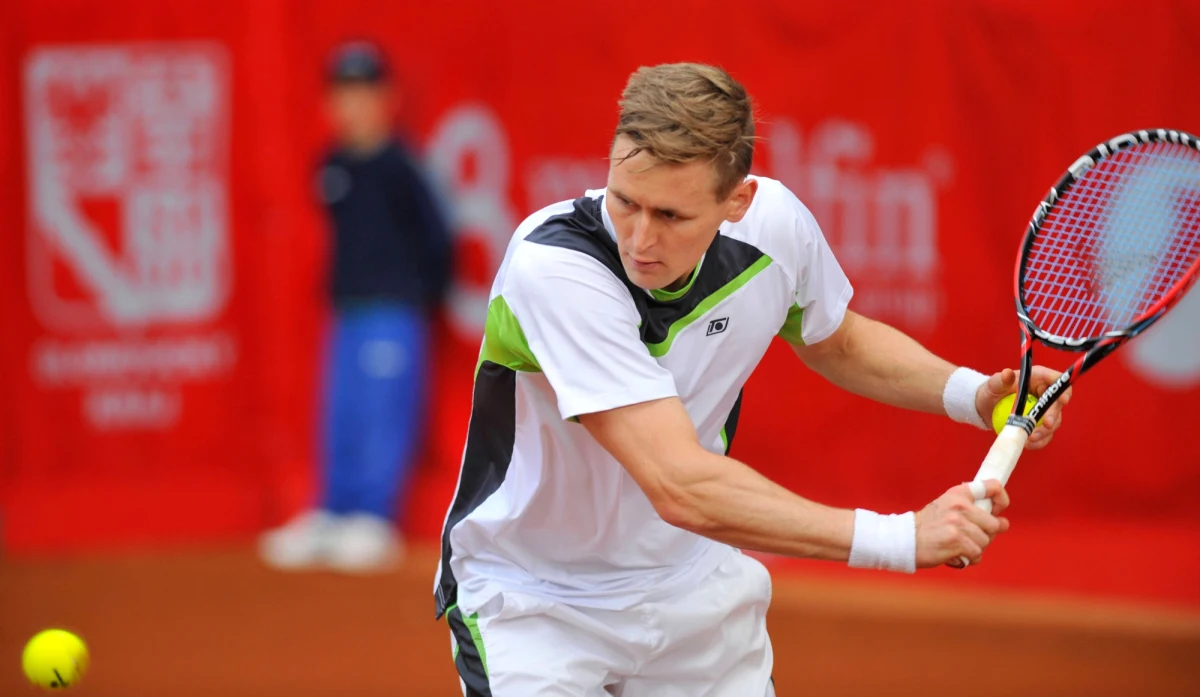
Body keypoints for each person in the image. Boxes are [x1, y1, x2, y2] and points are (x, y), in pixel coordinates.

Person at [433, 63, 1069, 695]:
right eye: (625, 201)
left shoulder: (774, 227)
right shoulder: (555, 270)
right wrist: (901, 538)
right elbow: (679, 484)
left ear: (737, 201)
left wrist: (968, 392)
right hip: (538, 604)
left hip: (692, 587)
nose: (640, 239)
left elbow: (838, 340)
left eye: (672, 216)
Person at [260, 41, 453, 573]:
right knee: (341, 414)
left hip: (395, 312)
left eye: (364, 93)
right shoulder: (332, 166)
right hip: (346, 311)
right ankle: (332, 511)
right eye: (343, 94)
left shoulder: (402, 167)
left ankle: (373, 517)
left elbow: (438, 240)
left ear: (386, 99)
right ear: (328, 104)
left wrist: (417, 296)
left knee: (382, 415)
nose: (354, 106)